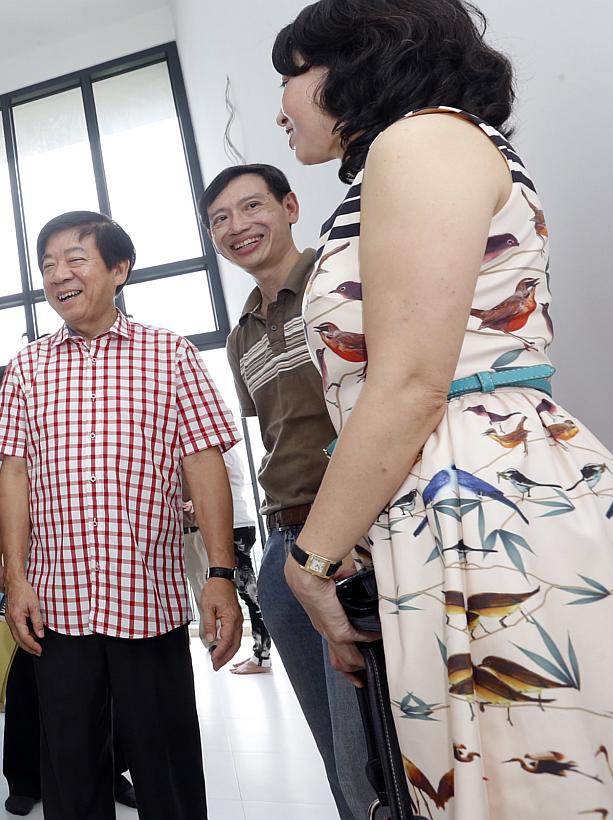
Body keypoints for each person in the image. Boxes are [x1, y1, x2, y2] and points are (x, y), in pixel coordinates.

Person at [272, 1, 613, 817]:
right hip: (457, 486)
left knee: (520, 781)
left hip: (477, 490)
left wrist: (311, 560)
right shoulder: (422, 150)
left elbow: (410, 385)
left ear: (357, 61)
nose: (281, 101)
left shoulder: (422, 139)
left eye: (291, 72)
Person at [0, 211, 243, 820]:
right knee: (70, 773)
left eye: (75, 259)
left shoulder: (170, 354)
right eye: (47, 265)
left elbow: (204, 465)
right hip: (59, 606)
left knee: (167, 768)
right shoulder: (27, 367)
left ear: (119, 269)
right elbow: (13, 477)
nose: (57, 275)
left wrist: (220, 573)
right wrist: (15, 577)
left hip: (145, 598)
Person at [204, 161, 374, 819]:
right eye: (220, 219)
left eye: (251, 207)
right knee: (336, 751)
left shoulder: (339, 284)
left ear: (290, 206)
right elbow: (275, 432)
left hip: (351, 539)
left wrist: (351, 532)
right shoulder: (241, 332)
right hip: (281, 544)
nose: (237, 227)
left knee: (373, 742)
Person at [0, 460, 138, 817]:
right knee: (27, 682)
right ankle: (23, 780)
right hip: (40, 581)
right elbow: (0, 499)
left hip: (105, 576)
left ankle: (112, 771)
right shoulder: (21, 424)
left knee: (108, 686)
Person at [223, 445, 271, 674]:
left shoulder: (222, 454)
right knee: (249, 592)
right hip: (241, 524)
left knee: (251, 594)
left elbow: (215, 489)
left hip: (234, 526)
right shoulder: (230, 452)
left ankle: (262, 658)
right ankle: (259, 654)